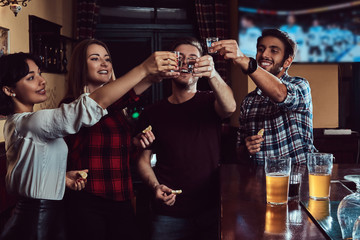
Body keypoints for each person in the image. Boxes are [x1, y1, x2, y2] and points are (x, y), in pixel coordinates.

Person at [0, 51, 177, 240]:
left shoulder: (19, 123)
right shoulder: (29, 122)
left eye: (39, 74)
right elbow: (93, 105)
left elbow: (28, 170)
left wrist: (63, 178)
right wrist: (143, 69)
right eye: (31, 77)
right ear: (9, 90)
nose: (41, 81)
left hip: (46, 216)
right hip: (35, 222)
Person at [61, 39, 176, 240]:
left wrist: (134, 143)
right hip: (89, 200)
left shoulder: (118, 111)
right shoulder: (71, 105)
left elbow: (113, 152)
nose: (104, 63)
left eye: (107, 59)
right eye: (95, 58)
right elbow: (100, 105)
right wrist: (146, 74)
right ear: (81, 65)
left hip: (121, 198)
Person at [136, 37, 236, 240]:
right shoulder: (153, 112)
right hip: (168, 214)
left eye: (193, 59)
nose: (186, 63)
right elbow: (142, 160)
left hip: (210, 210)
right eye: (179, 58)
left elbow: (230, 107)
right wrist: (155, 186)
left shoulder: (210, 100)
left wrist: (213, 73)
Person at [212, 29, 314, 164]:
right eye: (261, 49)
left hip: (297, 180)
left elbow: (280, 93)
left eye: (274, 50)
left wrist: (244, 60)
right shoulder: (248, 101)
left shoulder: (300, 85)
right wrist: (247, 149)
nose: (264, 54)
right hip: (259, 181)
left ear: (287, 62)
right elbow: (240, 154)